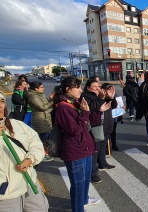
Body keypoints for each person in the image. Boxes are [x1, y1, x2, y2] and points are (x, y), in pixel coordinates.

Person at [53, 76, 101, 212]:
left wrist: (98, 111)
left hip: (85, 147)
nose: (80, 90)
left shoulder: (74, 102)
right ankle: (78, 209)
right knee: (78, 184)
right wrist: (85, 113)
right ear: (68, 89)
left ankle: (84, 200)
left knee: (85, 180)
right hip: (75, 151)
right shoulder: (63, 107)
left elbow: (88, 121)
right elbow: (74, 130)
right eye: (78, 87)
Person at [0, 91, 49, 212]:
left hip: (29, 181)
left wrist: (30, 159)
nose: (0, 105)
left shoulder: (17, 124)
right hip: (7, 193)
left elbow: (36, 144)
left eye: (1, 101)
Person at [81, 79, 111, 184]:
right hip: (93, 126)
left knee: (97, 148)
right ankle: (93, 173)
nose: (97, 88)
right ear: (88, 88)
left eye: (98, 86)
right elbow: (93, 108)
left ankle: (96, 169)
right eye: (94, 86)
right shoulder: (86, 96)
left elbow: (106, 107)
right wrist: (100, 98)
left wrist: (108, 97)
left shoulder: (95, 96)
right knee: (94, 150)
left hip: (100, 124)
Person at [25, 81, 54, 162]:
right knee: (42, 139)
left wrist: (50, 99)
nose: (43, 88)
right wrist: (52, 102)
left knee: (45, 138)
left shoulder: (40, 95)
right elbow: (42, 107)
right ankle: (42, 154)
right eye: (41, 87)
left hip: (45, 118)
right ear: (36, 88)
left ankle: (44, 153)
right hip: (40, 120)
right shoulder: (33, 97)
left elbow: (45, 103)